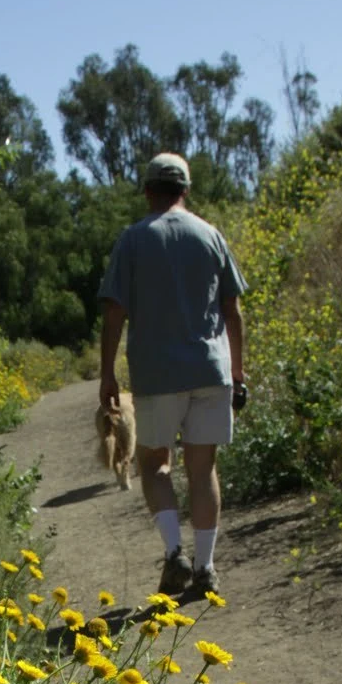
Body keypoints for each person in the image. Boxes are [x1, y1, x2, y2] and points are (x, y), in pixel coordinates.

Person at [99, 152, 247, 597]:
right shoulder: (210, 235)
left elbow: (113, 314)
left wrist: (107, 374)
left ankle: (173, 555)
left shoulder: (133, 239)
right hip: (210, 368)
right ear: (185, 189)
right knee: (203, 470)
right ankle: (205, 569)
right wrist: (237, 372)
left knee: (154, 464)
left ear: (147, 190)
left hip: (158, 372)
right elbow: (232, 312)